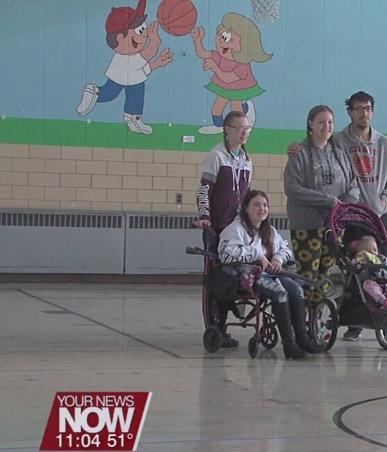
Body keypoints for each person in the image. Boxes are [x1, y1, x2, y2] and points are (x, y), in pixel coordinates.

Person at [290, 92, 387, 341]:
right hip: (347, 216)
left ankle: (383, 313)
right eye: (359, 109)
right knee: (351, 267)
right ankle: (354, 320)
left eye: (368, 108)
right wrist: (295, 148)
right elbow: (312, 149)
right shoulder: (338, 142)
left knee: (379, 262)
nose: (364, 113)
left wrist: (383, 200)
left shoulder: (383, 143)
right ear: (350, 112)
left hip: (377, 214)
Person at [283, 105, 360, 303]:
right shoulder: (299, 153)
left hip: (333, 225)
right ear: (310, 124)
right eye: (321, 122)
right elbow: (292, 188)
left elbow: (354, 184)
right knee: (308, 276)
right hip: (307, 225)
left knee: (325, 275)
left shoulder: (340, 154)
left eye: (330, 122)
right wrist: (328, 201)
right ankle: (303, 324)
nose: (326, 126)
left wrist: (345, 204)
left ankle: (316, 323)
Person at [218, 190, 306, 359]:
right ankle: (289, 345)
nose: (262, 209)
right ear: (246, 208)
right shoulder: (235, 229)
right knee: (280, 294)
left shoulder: (270, 230)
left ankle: (302, 339)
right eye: (257, 205)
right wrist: (257, 256)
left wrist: (278, 260)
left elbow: (285, 248)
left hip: (272, 273)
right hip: (248, 276)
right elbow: (225, 253)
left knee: (296, 290)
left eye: (265, 205)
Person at [194, 110, 253, 348]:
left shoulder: (248, 160)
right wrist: (205, 216)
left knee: (232, 278)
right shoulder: (216, 156)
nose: (244, 132)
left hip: (236, 231)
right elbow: (204, 189)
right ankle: (212, 327)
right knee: (214, 278)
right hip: (216, 228)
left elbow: (247, 196)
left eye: (247, 128)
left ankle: (224, 325)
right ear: (227, 129)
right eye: (240, 128)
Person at [75, 0, 174, 134]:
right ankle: (132, 116)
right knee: (134, 94)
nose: (144, 35)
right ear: (121, 38)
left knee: (113, 93)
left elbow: (144, 67)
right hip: (128, 74)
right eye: (140, 30)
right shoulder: (131, 57)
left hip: (123, 72)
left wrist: (159, 62)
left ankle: (96, 93)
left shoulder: (127, 58)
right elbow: (147, 55)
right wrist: (155, 41)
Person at [190, 13, 272, 134]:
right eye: (221, 36)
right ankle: (219, 126)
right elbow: (202, 53)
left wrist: (214, 67)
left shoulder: (242, 64)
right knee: (216, 109)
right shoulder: (219, 56)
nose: (222, 41)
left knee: (235, 111)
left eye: (229, 38)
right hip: (225, 87)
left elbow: (227, 78)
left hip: (239, 88)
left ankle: (242, 124)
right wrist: (198, 40)